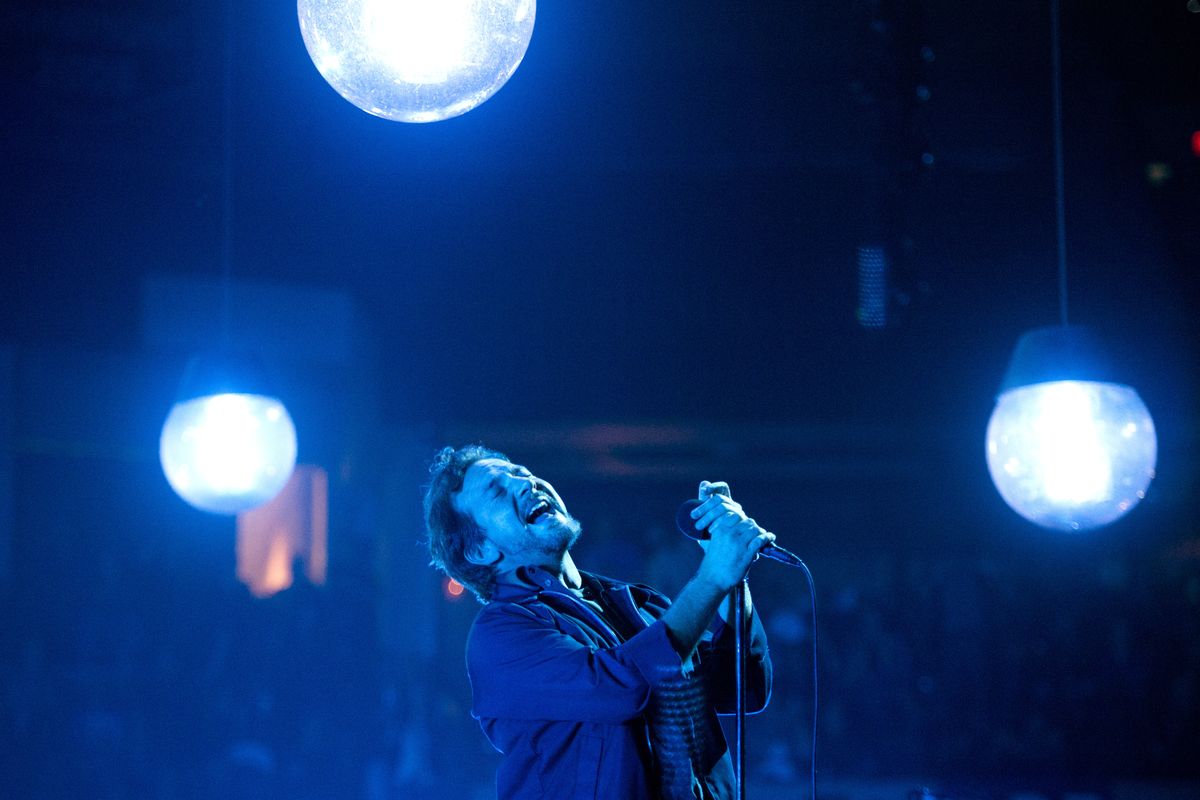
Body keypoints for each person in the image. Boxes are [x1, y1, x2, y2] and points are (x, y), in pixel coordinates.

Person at [423, 444, 775, 800]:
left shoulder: (638, 604)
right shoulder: (502, 635)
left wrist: (733, 577)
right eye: (498, 491)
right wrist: (713, 576)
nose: (525, 483)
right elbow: (623, 686)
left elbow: (744, 686)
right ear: (479, 550)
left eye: (521, 472)